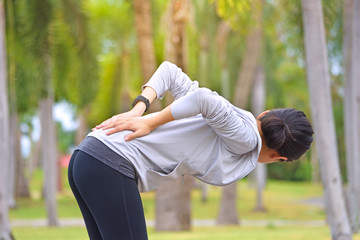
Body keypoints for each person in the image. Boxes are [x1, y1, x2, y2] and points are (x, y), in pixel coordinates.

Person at [68, 61, 314, 240]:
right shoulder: (247, 139)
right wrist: (145, 120)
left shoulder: (231, 123)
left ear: (264, 114)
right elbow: (204, 99)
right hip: (110, 164)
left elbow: (169, 71)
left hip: (87, 157)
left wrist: (140, 106)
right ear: (279, 157)